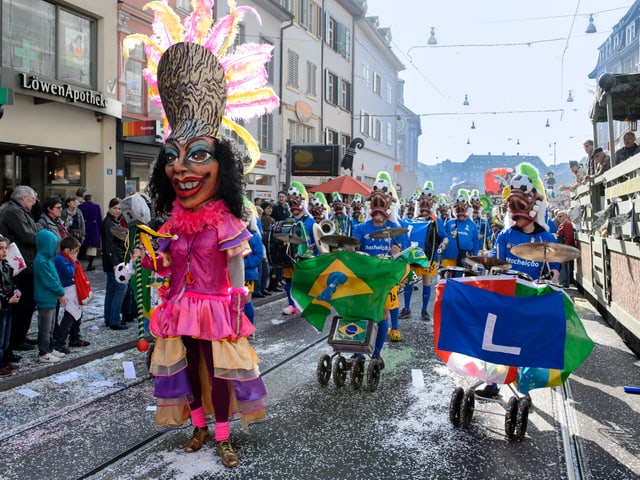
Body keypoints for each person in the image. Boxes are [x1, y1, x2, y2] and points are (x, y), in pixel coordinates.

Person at [127, 25, 275, 466]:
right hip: (180, 304)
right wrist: (150, 264)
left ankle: (223, 434)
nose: (180, 168)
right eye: (172, 156)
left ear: (221, 165)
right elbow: (168, 265)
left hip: (215, 306)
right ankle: (197, 427)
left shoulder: (227, 221)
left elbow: (235, 272)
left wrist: (235, 304)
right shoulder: (172, 222)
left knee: (221, 370)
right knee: (188, 368)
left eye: (197, 155)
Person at [481, 163, 560, 398]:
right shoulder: (504, 235)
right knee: (495, 338)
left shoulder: (546, 237)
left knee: (525, 342)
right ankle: (493, 382)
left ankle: (523, 386)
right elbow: (496, 263)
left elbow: (554, 270)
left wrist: (551, 275)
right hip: (505, 297)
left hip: (530, 300)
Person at [352, 171, 409, 363]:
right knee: (362, 314)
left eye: (381, 213)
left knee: (383, 314)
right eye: (375, 212)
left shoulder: (398, 229)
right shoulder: (361, 228)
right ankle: (359, 353)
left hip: (386, 279)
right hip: (365, 278)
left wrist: (398, 253)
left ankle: (376, 353)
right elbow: (353, 249)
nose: (378, 217)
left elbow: (406, 255)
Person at [0, 186, 39, 361]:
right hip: (20, 265)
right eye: (32, 199)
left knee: (28, 304)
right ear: (22, 198)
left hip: (28, 263)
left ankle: (20, 337)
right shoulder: (13, 212)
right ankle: (13, 342)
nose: (34, 202)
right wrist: (39, 234)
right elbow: (28, 236)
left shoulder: (20, 210)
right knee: (20, 305)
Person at [281, 181, 316, 315]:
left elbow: (316, 241)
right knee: (289, 280)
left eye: (295, 203)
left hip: (305, 258)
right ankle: (292, 304)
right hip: (290, 256)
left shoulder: (310, 221)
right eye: (290, 204)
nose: (293, 207)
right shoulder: (287, 220)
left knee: (304, 283)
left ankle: (306, 302)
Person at [53, 236, 92, 352]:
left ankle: (75, 337)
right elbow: (70, 272)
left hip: (74, 289)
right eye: (75, 251)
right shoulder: (60, 259)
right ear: (67, 250)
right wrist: (73, 261)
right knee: (70, 315)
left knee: (78, 314)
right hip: (67, 289)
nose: (77, 253)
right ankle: (60, 342)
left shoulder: (66, 258)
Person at [34, 229, 67, 363]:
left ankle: (50, 348)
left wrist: (59, 292)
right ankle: (43, 352)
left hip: (51, 298)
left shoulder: (48, 260)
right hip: (44, 298)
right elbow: (49, 280)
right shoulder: (41, 261)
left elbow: (55, 277)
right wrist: (60, 291)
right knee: (45, 328)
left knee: (51, 327)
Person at [101, 197, 128, 330]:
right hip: (115, 261)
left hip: (114, 260)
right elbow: (108, 245)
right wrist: (115, 263)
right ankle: (114, 320)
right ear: (109, 208)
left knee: (112, 290)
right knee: (120, 289)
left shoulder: (113, 222)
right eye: (114, 208)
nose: (117, 211)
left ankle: (109, 318)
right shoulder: (109, 223)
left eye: (119, 208)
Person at [440, 189, 479, 268]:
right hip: (448, 259)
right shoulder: (449, 223)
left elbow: (476, 243)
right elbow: (442, 237)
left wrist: (475, 260)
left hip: (465, 260)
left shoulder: (472, 225)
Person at [0, 235, 21, 376]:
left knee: (6, 338)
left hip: (8, 306)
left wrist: (16, 290)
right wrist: (6, 300)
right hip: (3, 305)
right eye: (0, 248)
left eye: (5, 248)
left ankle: (4, 362)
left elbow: (10, 284)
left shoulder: (6, 266)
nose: (4, 251)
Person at [242, 199, 264, 321]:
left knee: (246, 300)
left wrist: (242, 264)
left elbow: (258, 256)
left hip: (248, 274)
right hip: (233, 274)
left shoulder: (254, 236)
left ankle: (249, 326)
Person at [78, 193, 102, 270]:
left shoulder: (80, 207)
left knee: (82, 245)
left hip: (83, 227)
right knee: (92, 248)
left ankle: (79, 264)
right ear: (91, 199)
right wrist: (101, 230)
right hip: (94, 228)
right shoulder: (96, 207)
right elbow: (99, 219)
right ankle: (90, 264)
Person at [556, 210, 576, 288]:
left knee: (564, 265)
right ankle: (564, 282)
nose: (558, 218)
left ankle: (564, 282)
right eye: (558, 216)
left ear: (565, 216)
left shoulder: (567, 224)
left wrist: (565, 248)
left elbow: (569, 237)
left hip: (565, 247)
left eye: (560, 216)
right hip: (562, 246)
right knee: (564, 265)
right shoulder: (562, 224)